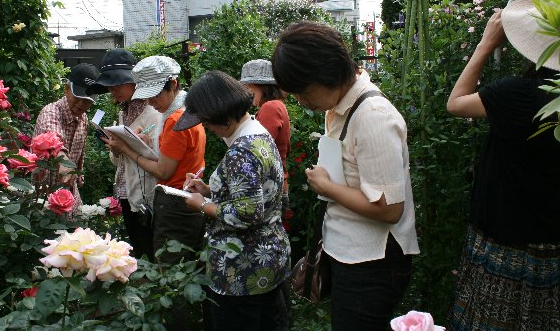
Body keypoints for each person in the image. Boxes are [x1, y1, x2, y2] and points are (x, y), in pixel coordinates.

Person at [271, 21, 420, 331]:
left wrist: (327, 186)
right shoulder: (341, 103)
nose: (301, 101)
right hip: (352, 254)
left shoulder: (373, 117)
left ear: (328, 74)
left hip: (372, 264)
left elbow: (390, 209)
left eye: (304, 91)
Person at [446, 0, 560, 329]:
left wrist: (485, 45)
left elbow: (455, 104)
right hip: (552, 245)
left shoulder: (519, 93)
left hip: (502, 244)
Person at [174, 70, 291, 331]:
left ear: (222, 115)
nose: (207, 127)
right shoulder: (258, 134)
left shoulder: (241, 152)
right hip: (268, 259)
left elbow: (247, 214)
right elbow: (256, 191)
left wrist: (201, 205)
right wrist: (208, 190)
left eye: (207, 121)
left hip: (242, 268)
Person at [105, 55, 206, 331]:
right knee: (186, 274)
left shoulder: (175, 120)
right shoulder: (187, 113)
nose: (150, 102)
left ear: (173, 84)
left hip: (174, 202)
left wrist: (127, 149)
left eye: (154, 95)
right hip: (189, 198)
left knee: (171, 279)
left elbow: (162, 171)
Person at [86, 48, 161, 260]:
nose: (114, 90)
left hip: (146, 193)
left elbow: (160, 159)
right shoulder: (124, 112)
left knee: (149, 249)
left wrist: (132, 146)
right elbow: (119, 161)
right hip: (125, 190)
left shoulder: (152, 112)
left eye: (119, 84)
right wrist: (115, 149)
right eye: (111, 85)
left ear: (136, 83)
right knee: (139, 249)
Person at [34, 63, 100, 212]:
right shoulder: (50, 112)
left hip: (69, 193)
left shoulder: (83, 119)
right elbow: (53, 138)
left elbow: (80, 155)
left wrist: (78, 175)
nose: (82, 104)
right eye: (78, 97)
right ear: (66, 89)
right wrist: (64, 163)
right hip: (44, 195)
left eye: (88, 100)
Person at [239, 59, 291, 214]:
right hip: (275, 182)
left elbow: (256, 147)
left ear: (261, 85)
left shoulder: (270, 107)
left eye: (248, 86)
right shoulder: (275, 105)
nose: (246, 91)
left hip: (269, 185)